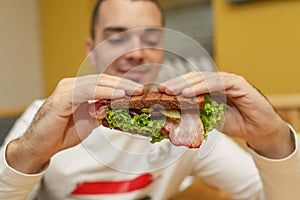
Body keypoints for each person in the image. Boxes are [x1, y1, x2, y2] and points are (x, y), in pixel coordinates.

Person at [0, 0, 299, 199]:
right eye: (117, 37)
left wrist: (273, 138)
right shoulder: (43, 115)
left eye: (151, 39)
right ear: (91, 49)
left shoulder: (188, 125)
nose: (136, 52)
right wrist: (28, 154)